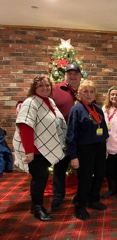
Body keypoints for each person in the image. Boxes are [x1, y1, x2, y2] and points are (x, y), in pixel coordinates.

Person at [13, 75, 67, 221]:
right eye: (41, 86)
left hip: (43, 149)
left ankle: (36, 206)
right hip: (35, 150)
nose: (45, 88)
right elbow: (25, 126)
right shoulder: (31, 103)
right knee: (39, 179)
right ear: (34, 88)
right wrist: (29, 151)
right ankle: (37, 209)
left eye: (47, 85)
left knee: (42, 179)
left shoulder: (49, 101)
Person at [66, 80, 109, 221]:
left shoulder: (97, 109)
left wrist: (105, 147)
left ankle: (93, 199)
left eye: (91, 91)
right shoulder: (76, 110)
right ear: (79, 94)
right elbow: (71, 135)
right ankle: (80, 206)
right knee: (84, 179)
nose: (89, 94)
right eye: (85, 91)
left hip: (100, 147)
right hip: (84, 150)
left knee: (99, 175)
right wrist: (73, 156)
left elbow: (103, 130)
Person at [51, 62, 82, 211]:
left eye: (76, 73)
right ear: (65, 75)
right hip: (61, 137)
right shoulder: (55, 89)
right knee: (59, 169)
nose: (73, 76)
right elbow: (37, 97)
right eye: (70, 73)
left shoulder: (85, 91)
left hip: (80, 140)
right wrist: (20, 104)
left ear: (80, 76)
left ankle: (82, 196)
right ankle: (58, 197)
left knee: (82, 169)